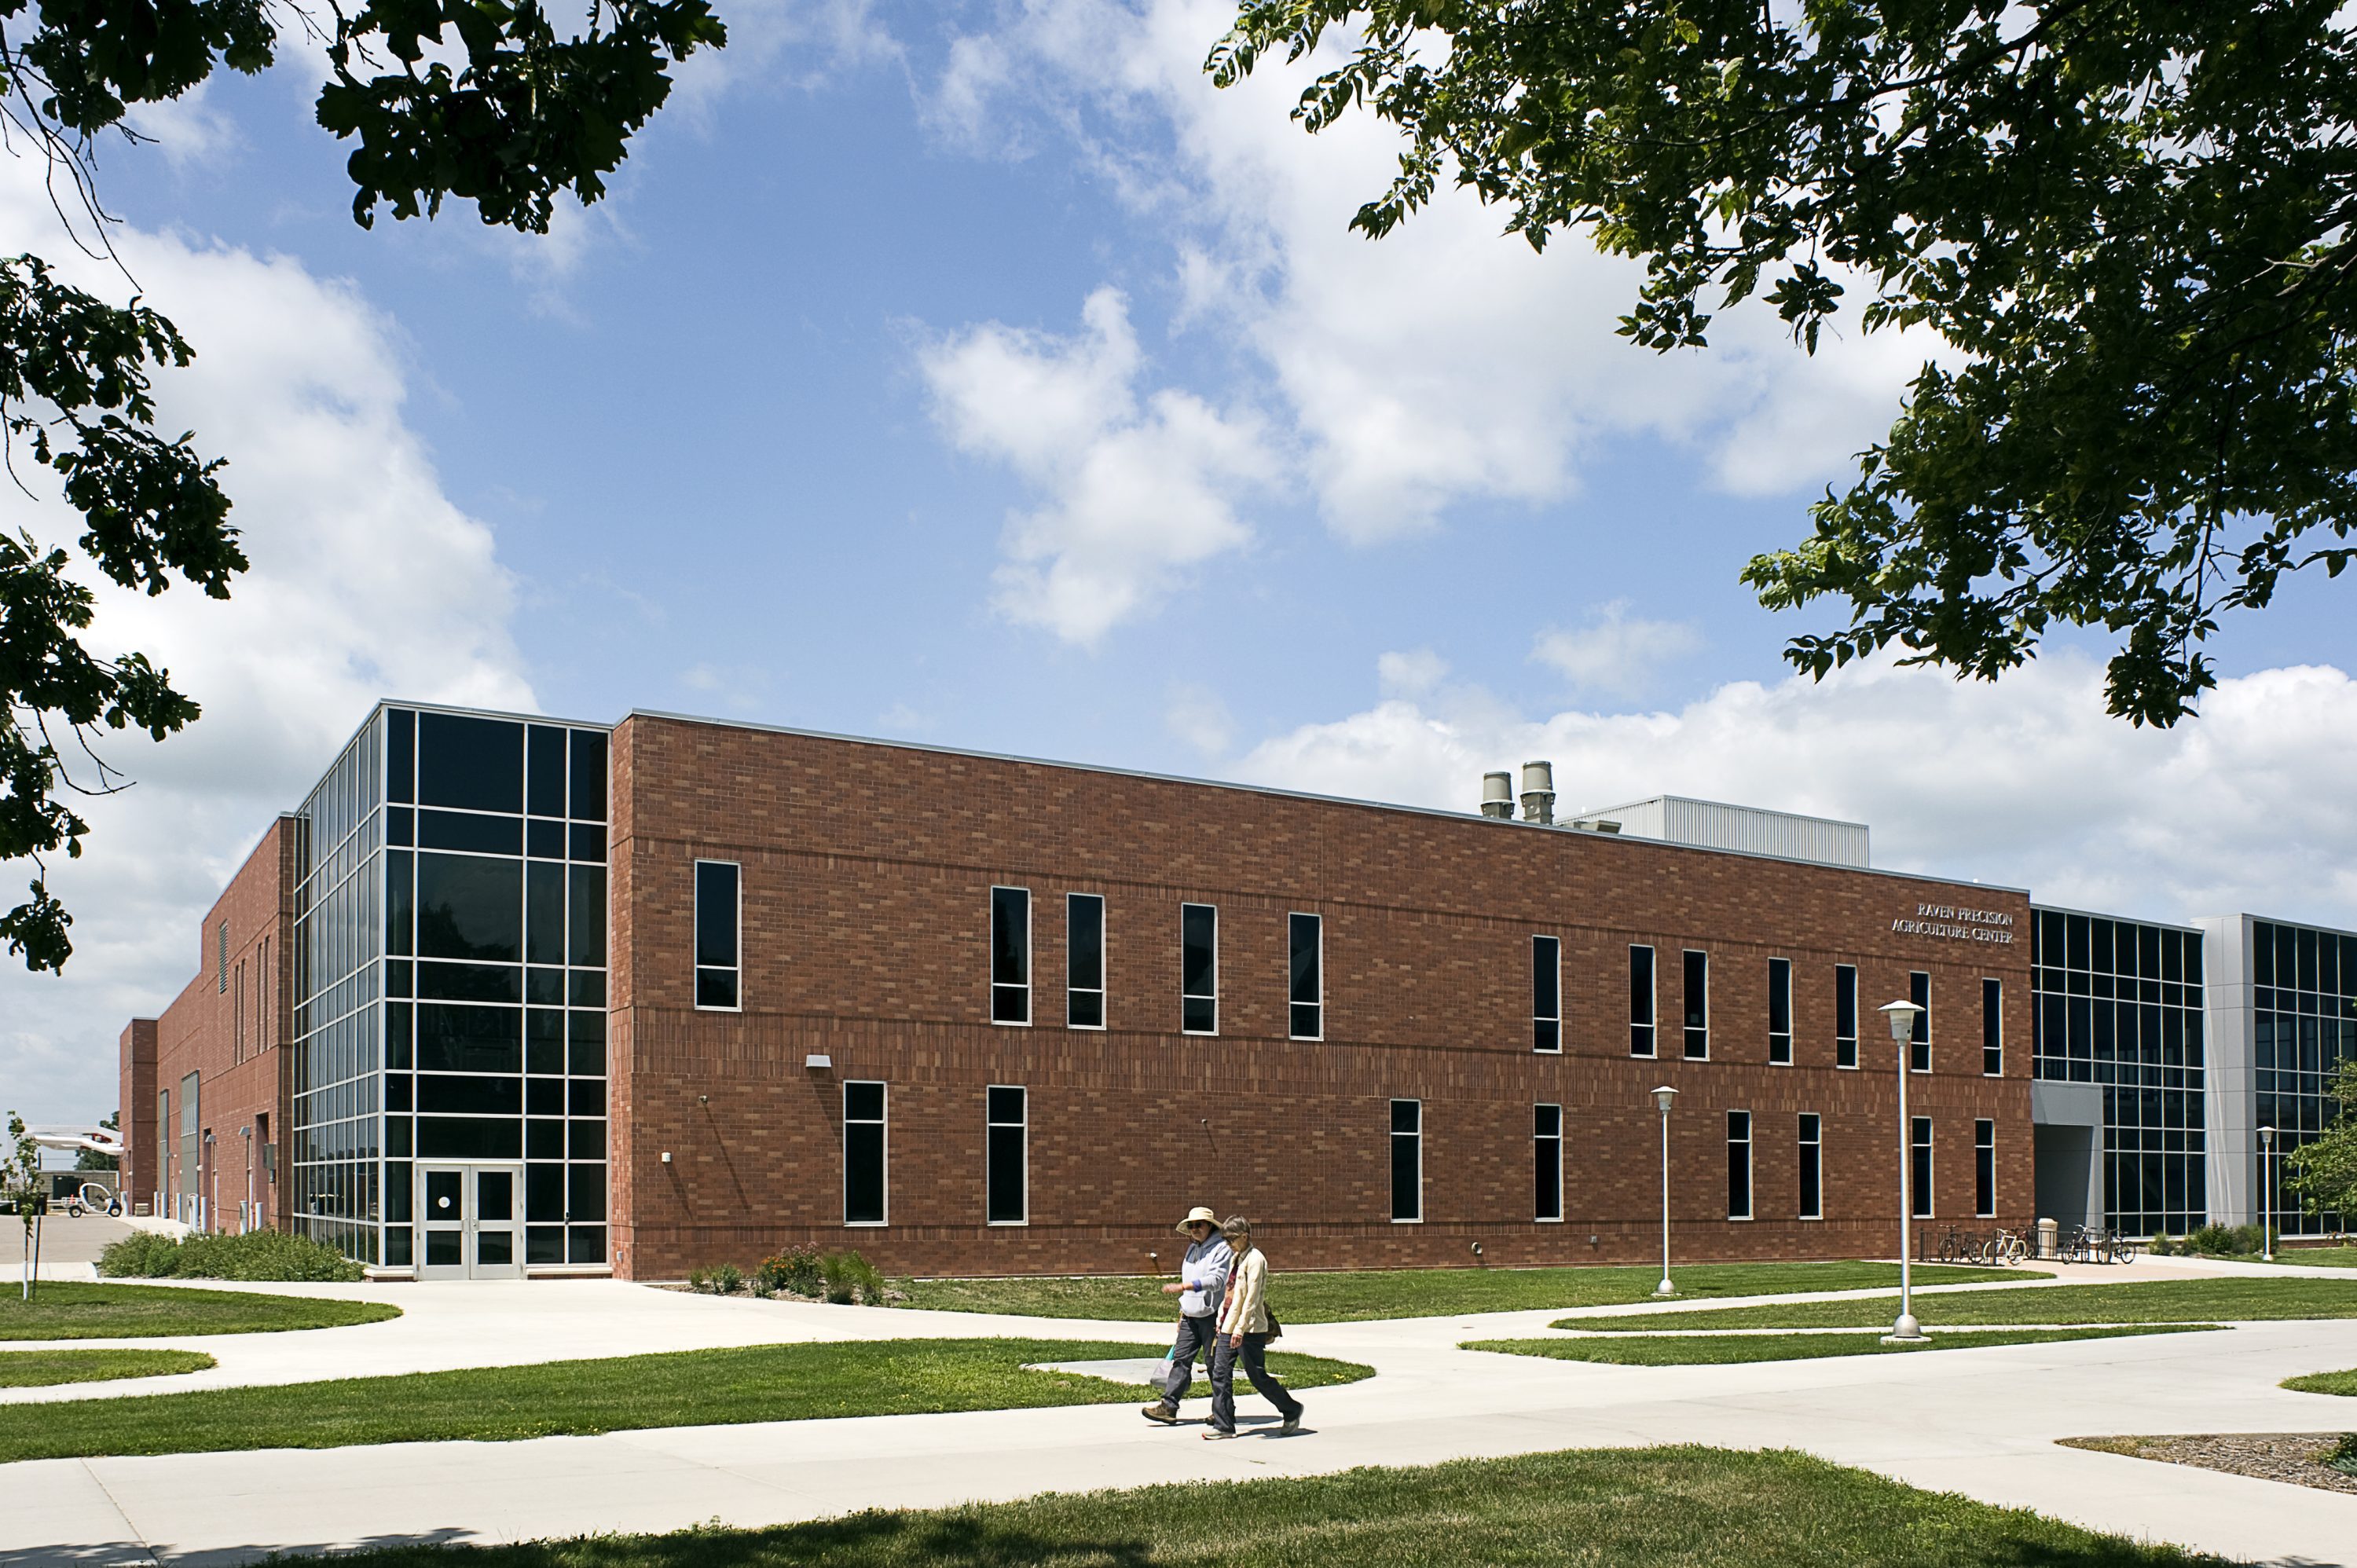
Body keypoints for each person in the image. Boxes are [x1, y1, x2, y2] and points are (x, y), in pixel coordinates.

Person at [1204, 1214, 1303, 1439]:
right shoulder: (1236, 1258)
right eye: (1225, 1240)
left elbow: (1252, 1298)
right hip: (1227, 1325)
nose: (1228, 1244)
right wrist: (1222, 1321)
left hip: (1249, 1329)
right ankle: (1224, 1425)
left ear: (1245, 1236)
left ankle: (1291, 1409)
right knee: (1219, 1373)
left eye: (1231, 1239)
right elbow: (1230, 1293)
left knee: (1256, 1375)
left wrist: (1240, 1328)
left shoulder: (1256, 1259)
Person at [1141, 1205, 1230, 1424]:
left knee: (1215, 1366)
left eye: (1198, 1225)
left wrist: (1185, 1287)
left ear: (1210, 1226)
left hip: (1212, 1316)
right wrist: (1182, 1312)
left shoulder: (1222, 1249)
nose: (1194, 1229)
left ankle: (1222, 1412)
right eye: (1191, 1226)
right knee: (1181, 1361)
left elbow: (1217, 1280)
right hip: (1190, 1317)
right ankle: (1168, 1407)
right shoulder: (1192, 1250)